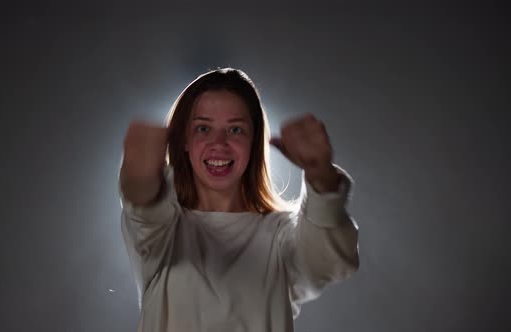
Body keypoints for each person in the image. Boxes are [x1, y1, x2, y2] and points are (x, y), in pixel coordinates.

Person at [119, 68, 359, 332]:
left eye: (235, 129)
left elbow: (326, 260)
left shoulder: (282, 236)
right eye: (203, 128)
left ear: (254, 141)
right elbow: (144, 208)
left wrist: (321, 175)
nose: (219, 143)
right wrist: (139, 172)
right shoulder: (164, 232)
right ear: (184, 140)